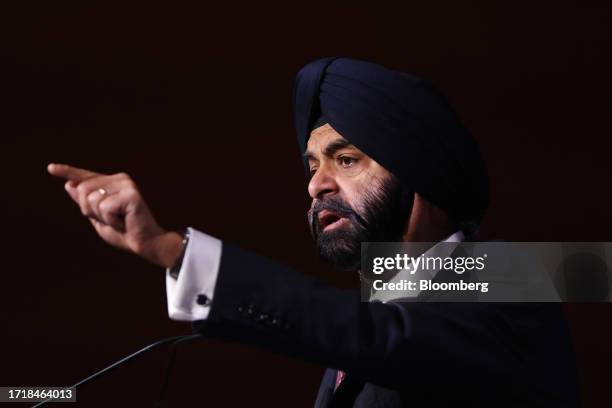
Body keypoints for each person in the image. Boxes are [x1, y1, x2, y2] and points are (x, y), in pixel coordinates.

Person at [48, 57, 579, 407]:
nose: (315, 186)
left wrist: (172, 250)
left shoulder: (515, 275)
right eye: (310, 167)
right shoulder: (371, 323)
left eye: (345, 160)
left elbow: (374, 336)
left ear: (418, 174)